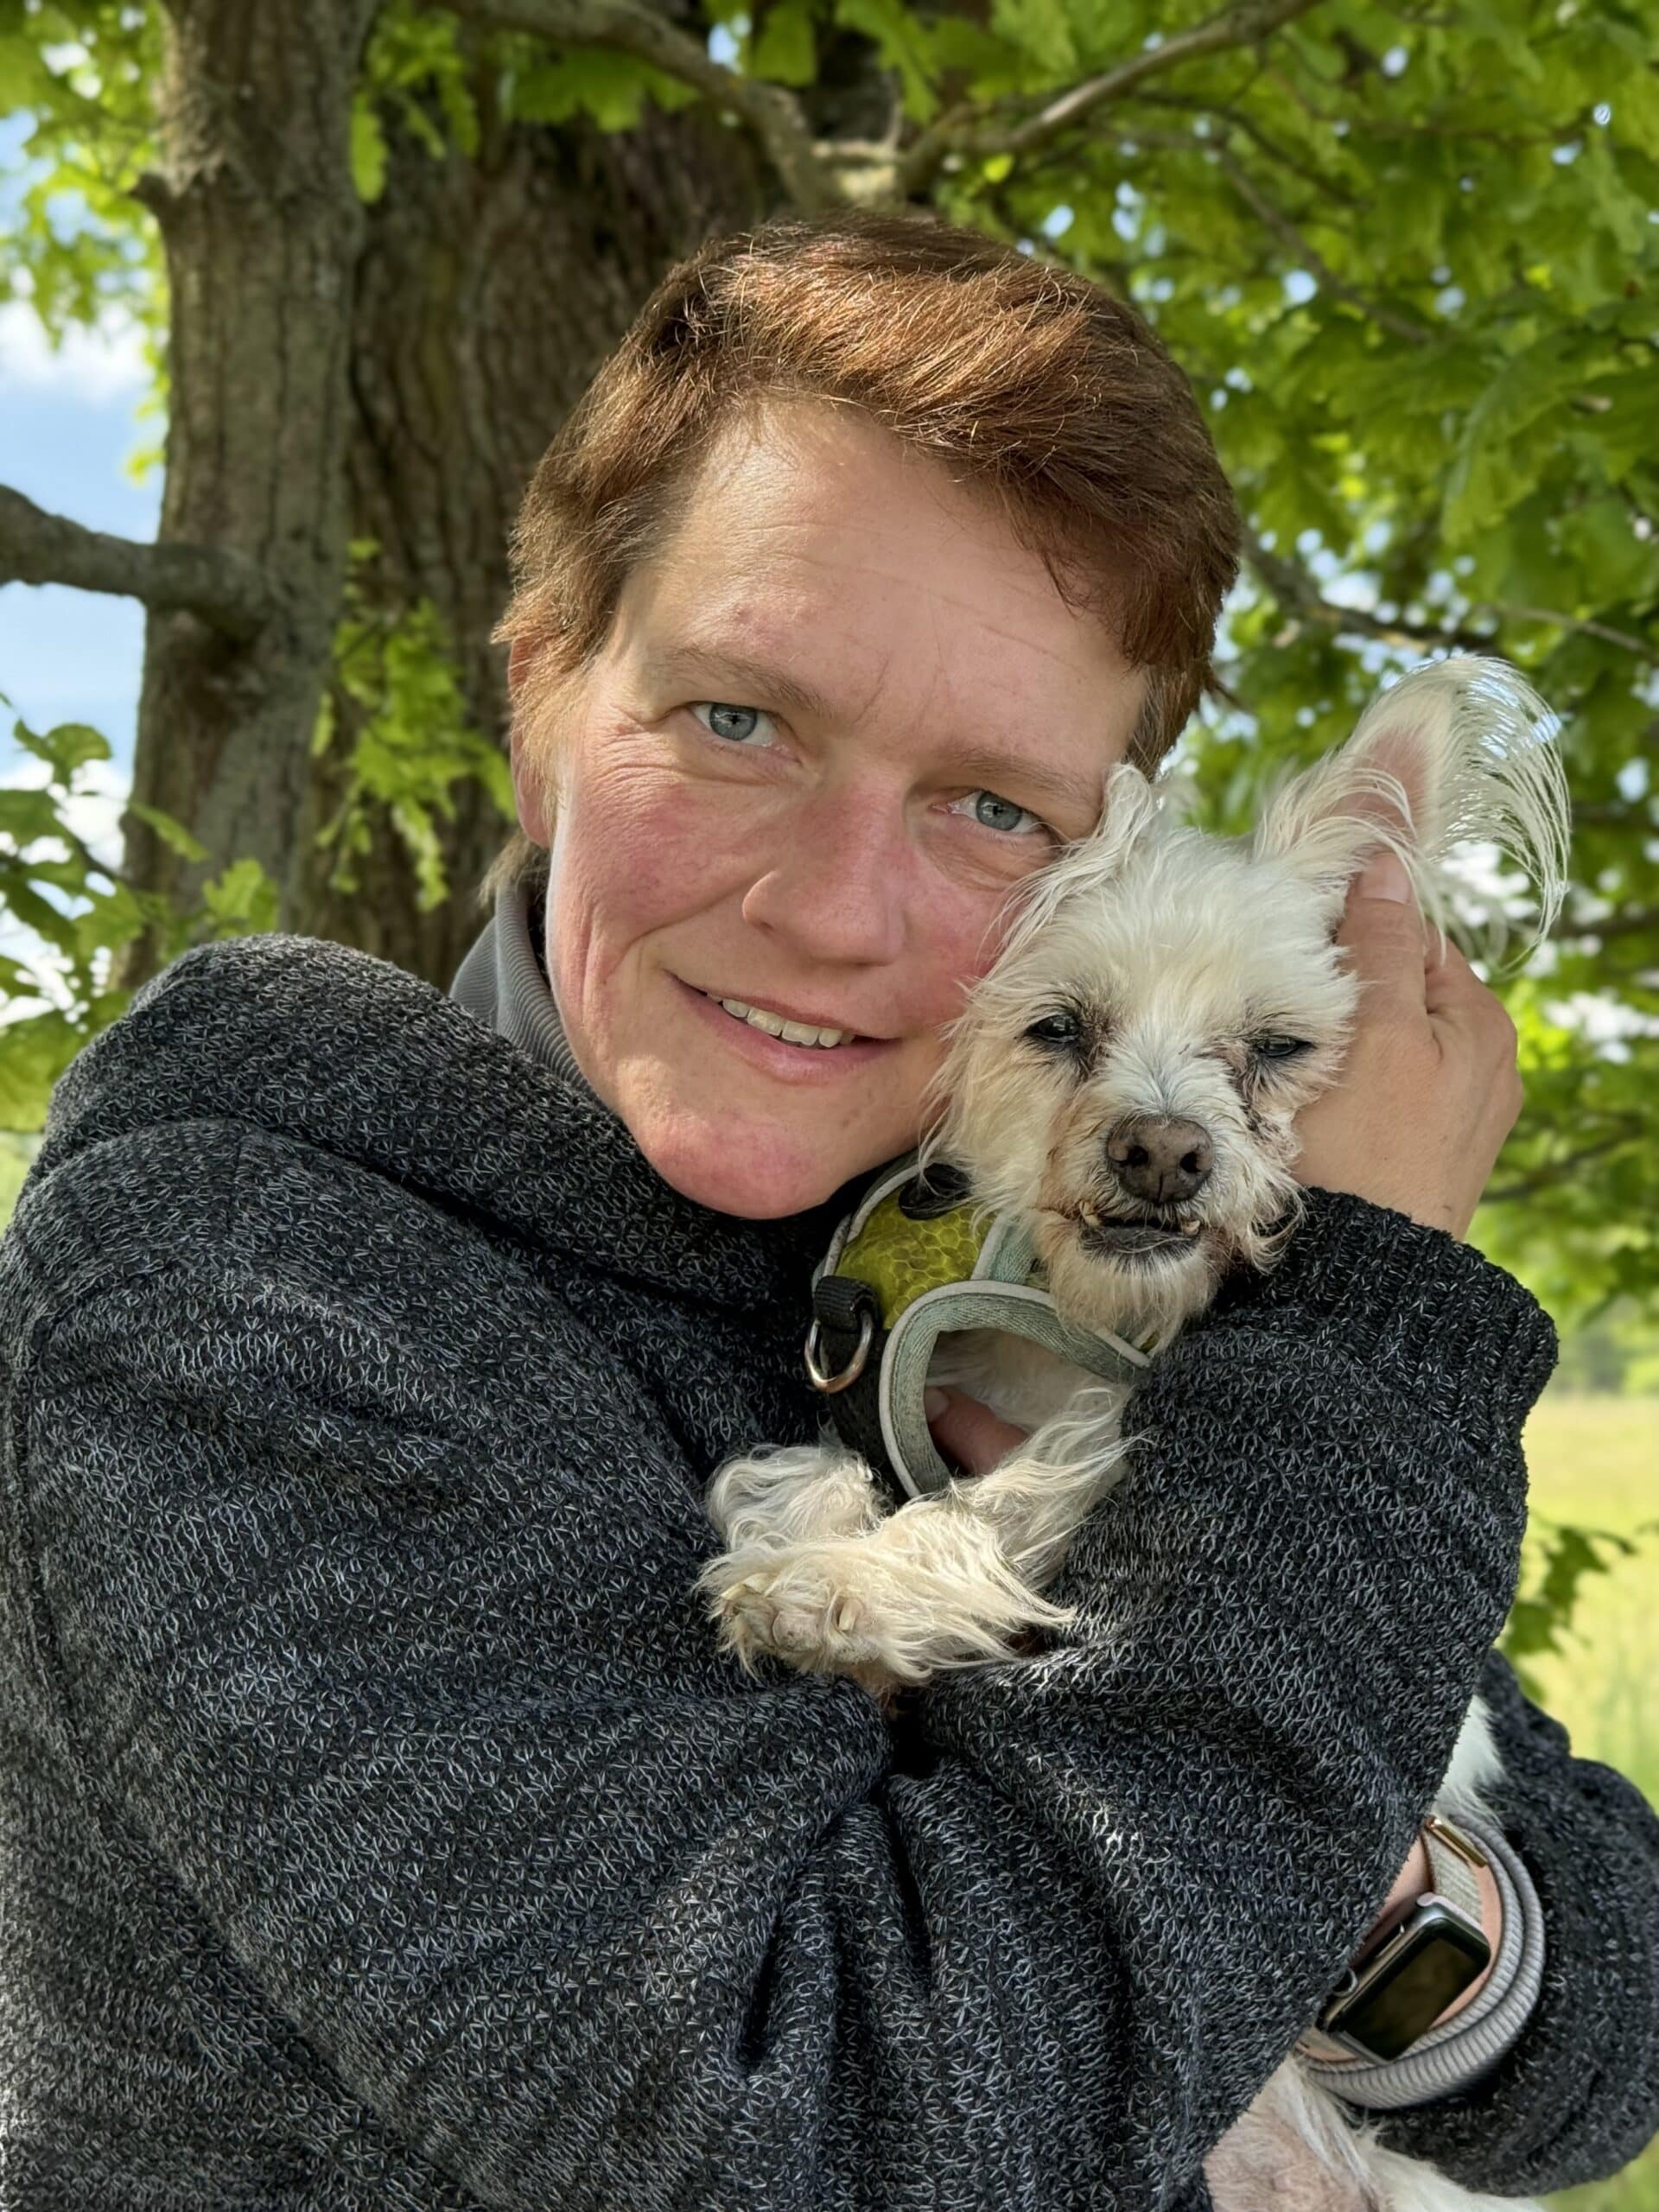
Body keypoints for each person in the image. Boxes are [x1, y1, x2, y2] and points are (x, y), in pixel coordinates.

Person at [0, 212, 1652, 2212]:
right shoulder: (238, 1291)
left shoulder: (998, 1281)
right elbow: (844, 2134)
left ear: (1095, 853)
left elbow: (1608, 2026)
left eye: (988, 806)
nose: (839, 906)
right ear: (539, 699)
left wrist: (1387, 1899)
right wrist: (1370, 1345)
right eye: (738, 719)